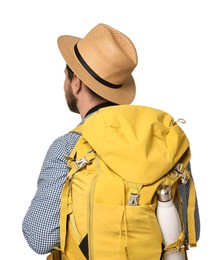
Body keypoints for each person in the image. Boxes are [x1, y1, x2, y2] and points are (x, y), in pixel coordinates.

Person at [22, 23, 200, 258]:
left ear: (76, 83)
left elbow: (40, 238)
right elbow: (189, 230)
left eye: (66, 76)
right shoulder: (164, 140)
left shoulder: (68, 147)